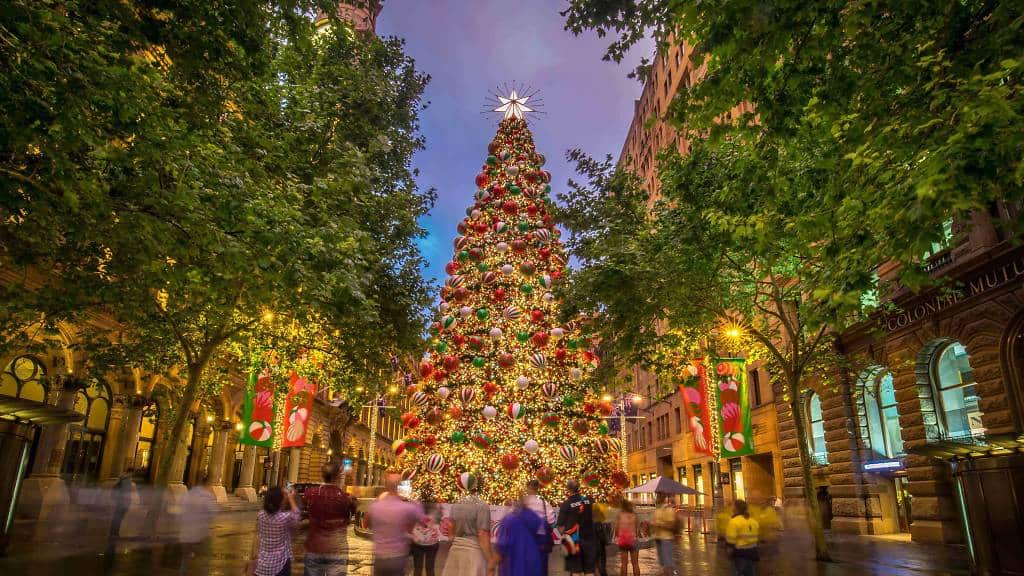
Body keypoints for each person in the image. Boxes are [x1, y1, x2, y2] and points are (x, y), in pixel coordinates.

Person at [304, 462, 357, 576]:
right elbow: (349, 518)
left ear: (322, 475)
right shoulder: (346, 498)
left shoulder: (310, 494)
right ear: (337, 477)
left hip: (314, 547)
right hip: (336, 549)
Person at [367, 471, 424, 576]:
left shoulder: (375, 506)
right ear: (400, 487)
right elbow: (423, 521)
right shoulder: (408, 507)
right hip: (398, 557)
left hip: (379, 556)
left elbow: (367, 523)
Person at [441, 473, 495, 576]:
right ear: (476, 486)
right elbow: (482, 534)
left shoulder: (456, 505)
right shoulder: (482, 506)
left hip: (455, 552)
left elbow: (451, 532)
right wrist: (490, 560)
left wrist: (457, 541)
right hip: (473, 553)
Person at [249, 486, 301, 576]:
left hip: (263, 564)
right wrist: (290, 498)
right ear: (280, 501)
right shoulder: (284, 517)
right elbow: (296, 514)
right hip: (280, 565)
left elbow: (257, 536)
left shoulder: (261, 515)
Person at [556, 479, 597, 576]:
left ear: (568, 489)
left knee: (575, 571)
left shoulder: (566, 504)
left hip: (573, 541)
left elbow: (560, 527)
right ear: (579, 488)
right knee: (590, 571)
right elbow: (597, 517)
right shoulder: (590, 500)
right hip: (590, 539)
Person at [495, 494, 543, 576]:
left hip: (512, 565)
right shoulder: (536, 518)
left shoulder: (508, 520)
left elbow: (502, 546)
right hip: (533, 565)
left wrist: (493, 564)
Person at [178, 481, 215, 574]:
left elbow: (181, 512)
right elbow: (211, 514)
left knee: (185, 558)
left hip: (186, 533)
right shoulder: (206, 496)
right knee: (204, 559)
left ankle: (183, 572)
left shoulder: (187, 495)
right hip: (200, 533)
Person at [523, 480, 556, 576]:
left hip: (525, 540)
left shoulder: (522, 502)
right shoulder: (544, 503)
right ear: (538, 489)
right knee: (541, 568)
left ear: (527, 488)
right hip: (541, 542)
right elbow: (552, 521)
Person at [725, 500, 760, 576]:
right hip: (752, 552)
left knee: (738, 572)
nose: (731, 507)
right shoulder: (753, 521)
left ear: (736, 508)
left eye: (733, 505)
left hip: (740, 553)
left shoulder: (734, 522)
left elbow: (731, 540)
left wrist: (729, 553)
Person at [411, 500, 440, 576]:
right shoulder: (436, 506)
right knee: (430, 568)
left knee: (417, 568)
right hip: (432, 541)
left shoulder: (415, 506)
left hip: (417, 541)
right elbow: (439, 520)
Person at [653, 493, 678, 576]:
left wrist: (659, 525)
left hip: (666, 539)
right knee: (662, 563)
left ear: (662, 498)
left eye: (657, 496)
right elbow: (656, 523)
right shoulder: (657, 509)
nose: (656, 498)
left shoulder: (668, 509)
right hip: (658, 538)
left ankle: (671, 574)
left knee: (668, 563)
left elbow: (671, 525)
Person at [614, 500, 640, 576]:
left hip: (623, 540)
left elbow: (616, 528)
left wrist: (617, 537)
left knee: (624, 564)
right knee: (635, 563)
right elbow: (637, 528)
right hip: (633, 539)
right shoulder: (635, 515)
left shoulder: (620, 515)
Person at [109, 467, 134, 538]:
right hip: (123, 502)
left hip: (120, 501)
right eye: (132, 473)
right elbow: (127, 492)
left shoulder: (121, 478)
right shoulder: (126, 480)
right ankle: (114, 533)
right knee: (118, 517)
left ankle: (114, 532)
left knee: (117, 517)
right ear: (130, 472)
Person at [592, 500, 611, 576]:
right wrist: (606, 542)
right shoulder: (600, 523)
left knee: (593, 568)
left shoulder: (587, 521)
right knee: (601, 567)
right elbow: (602, 537)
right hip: (599, 547)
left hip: (590, 547)